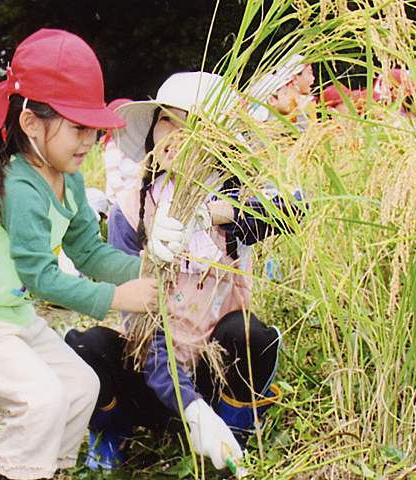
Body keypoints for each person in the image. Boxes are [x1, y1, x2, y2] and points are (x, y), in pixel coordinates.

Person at [0, 29, 158, 480]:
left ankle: (32, 470)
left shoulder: (67, 177)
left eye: (93, 128)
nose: (89, 140)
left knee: (80, 387)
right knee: (42, 399)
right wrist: (118, 298)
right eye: (78, 127)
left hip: (9, 313)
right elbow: (42, 278)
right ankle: (17, 472)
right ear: (32, 123)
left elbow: (90, 252)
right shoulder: (21, 186)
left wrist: (151, 271)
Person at [65, 71, 301, 472]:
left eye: (194, 125)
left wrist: (226, 215)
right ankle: (112, 431)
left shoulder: (234, 198)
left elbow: (295, 208)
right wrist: (190, 407)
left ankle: (234, 431)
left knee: (248, 334)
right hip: (155, 372)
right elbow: (144, 326)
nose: (175, 134)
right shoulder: (130, 209)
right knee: (89, 347)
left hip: (216, 374)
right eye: (167, 119)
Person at [248, 53, 316, 131]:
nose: (313, 78)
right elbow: (299, 139)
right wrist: (302, 115)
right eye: (285, 93)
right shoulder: (272, 127)